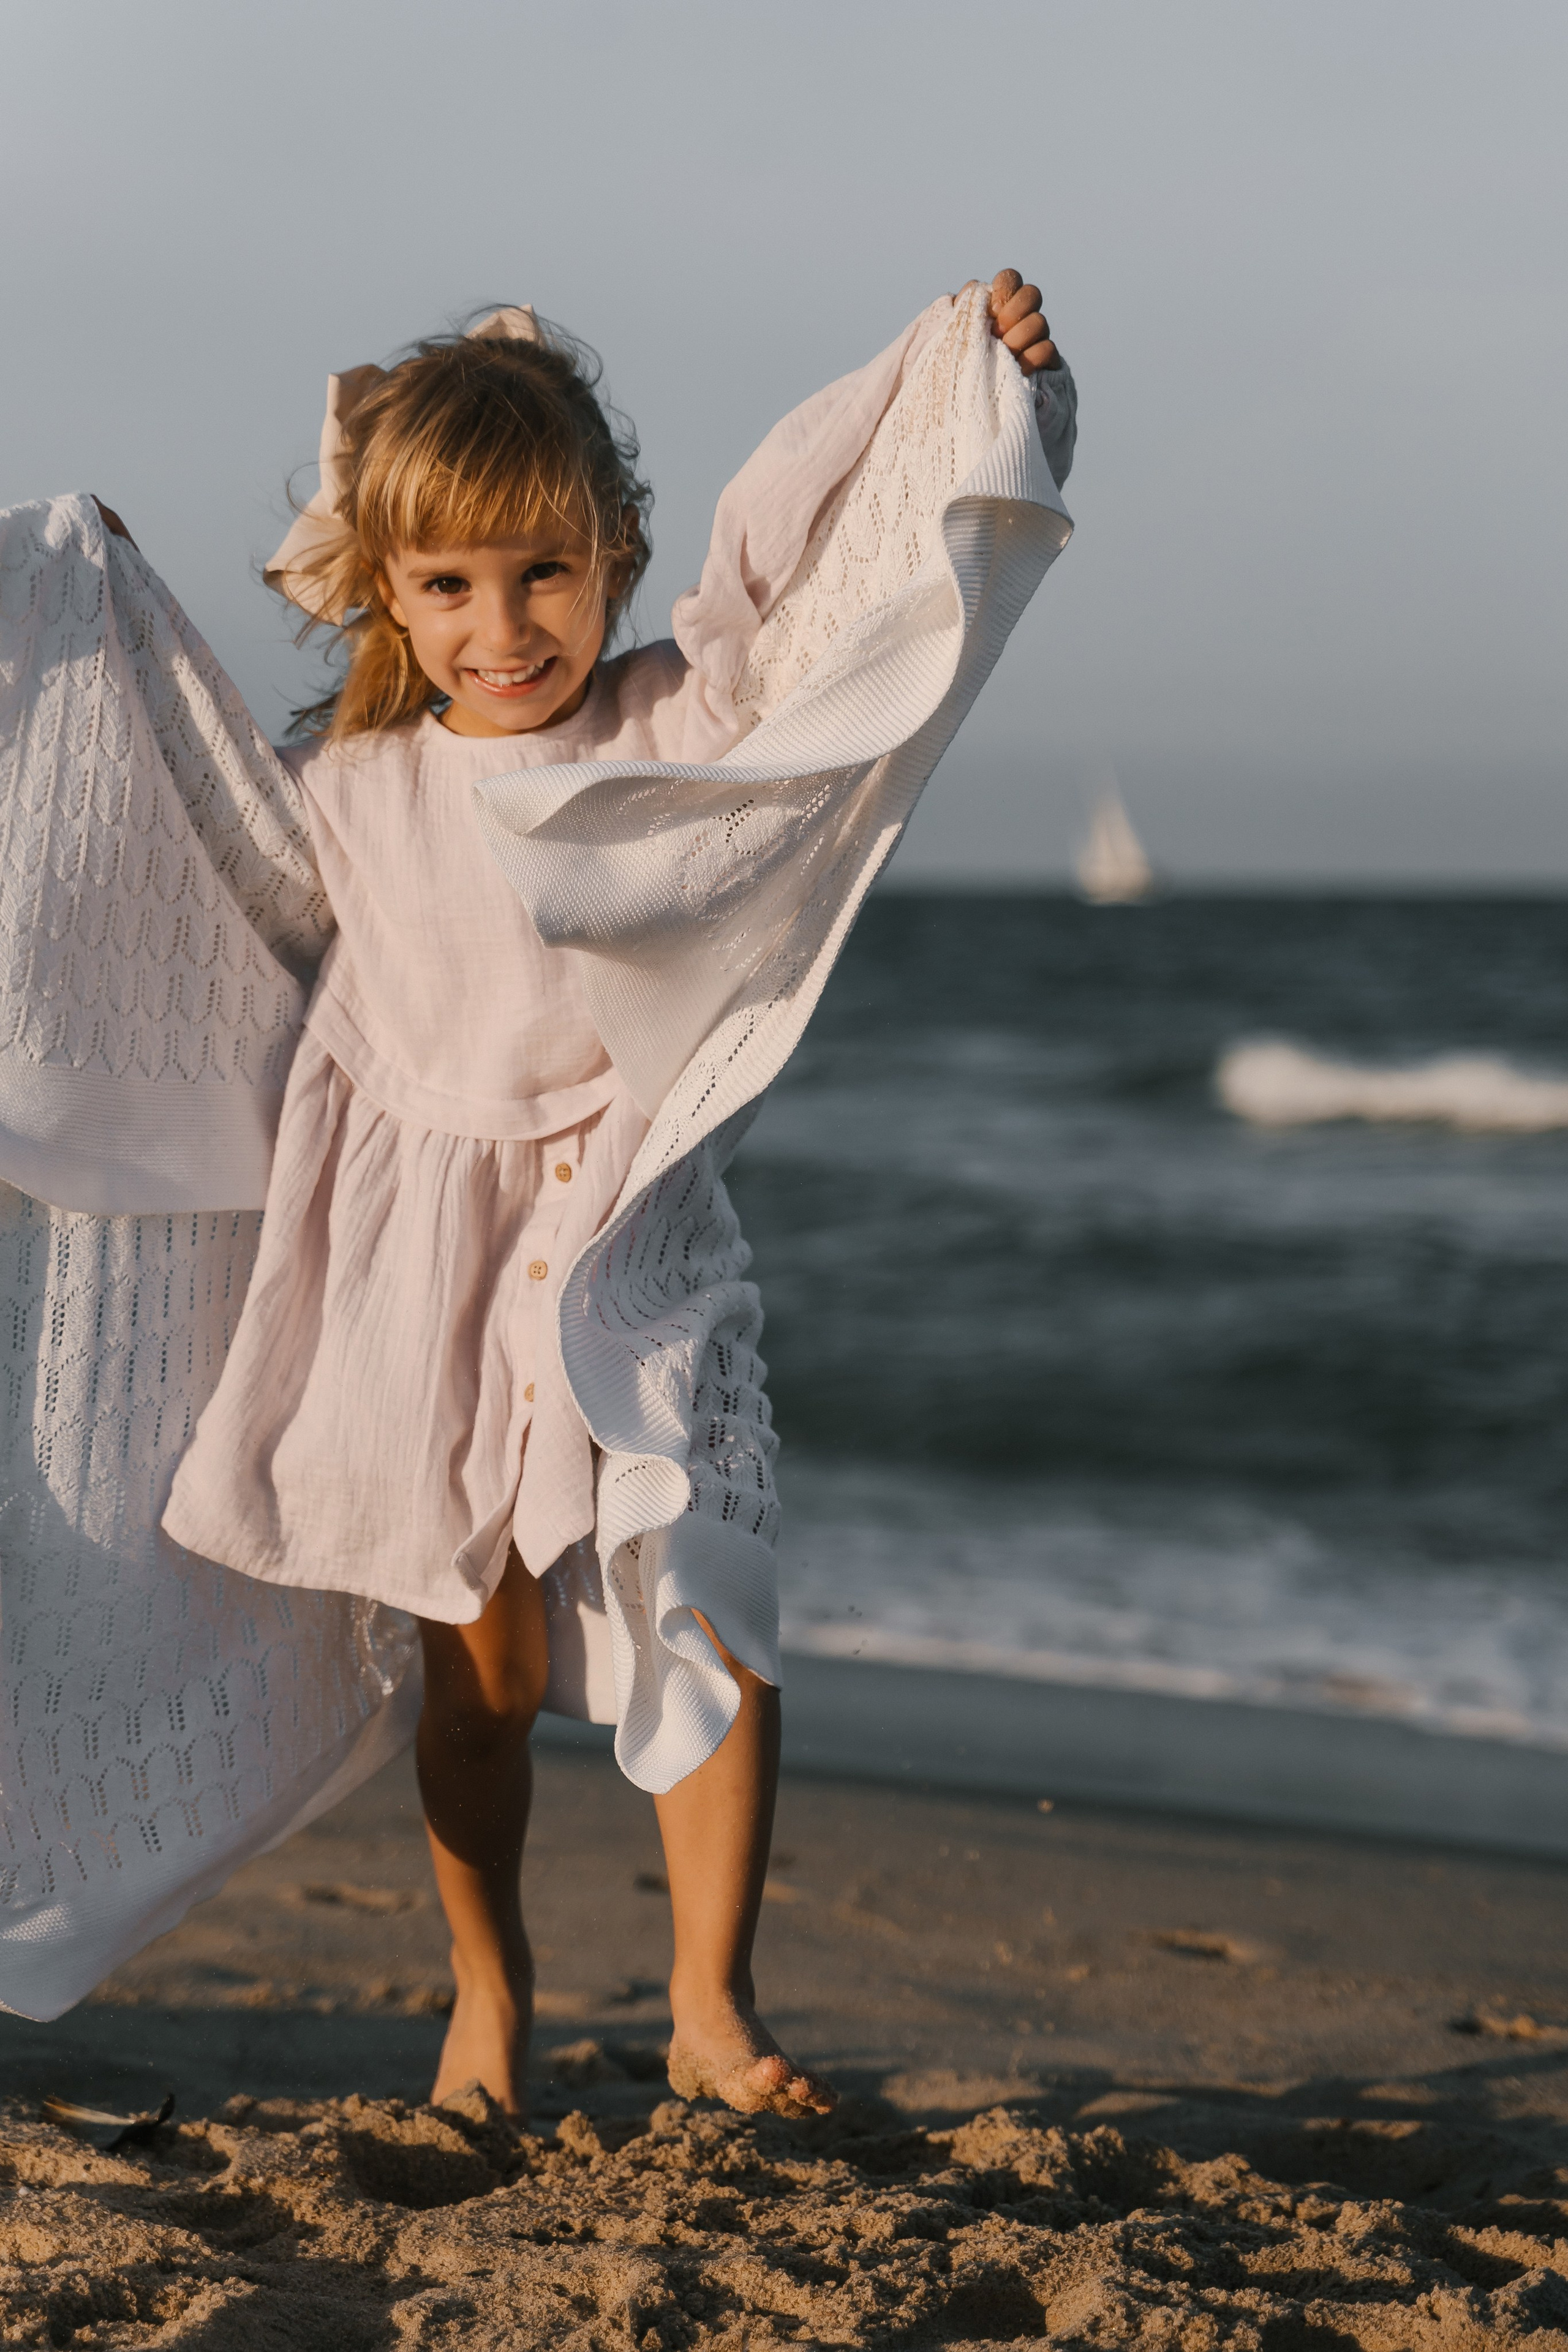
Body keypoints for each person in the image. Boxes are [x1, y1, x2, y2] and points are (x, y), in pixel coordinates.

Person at [17, 269, 1074, 2119]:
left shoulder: (677, 727)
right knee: (484, 1681)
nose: (504, 629)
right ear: (383, 590)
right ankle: (489, 1991)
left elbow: (822, 581)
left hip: (627, 1232)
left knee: (712, 1585)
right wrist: (82, 605)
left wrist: (964, 389)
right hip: (413, 1266)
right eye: (448, 586)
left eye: (546, 575)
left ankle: (713, 2010)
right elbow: (170, 816)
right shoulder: (351, 790)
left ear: (613, 551)